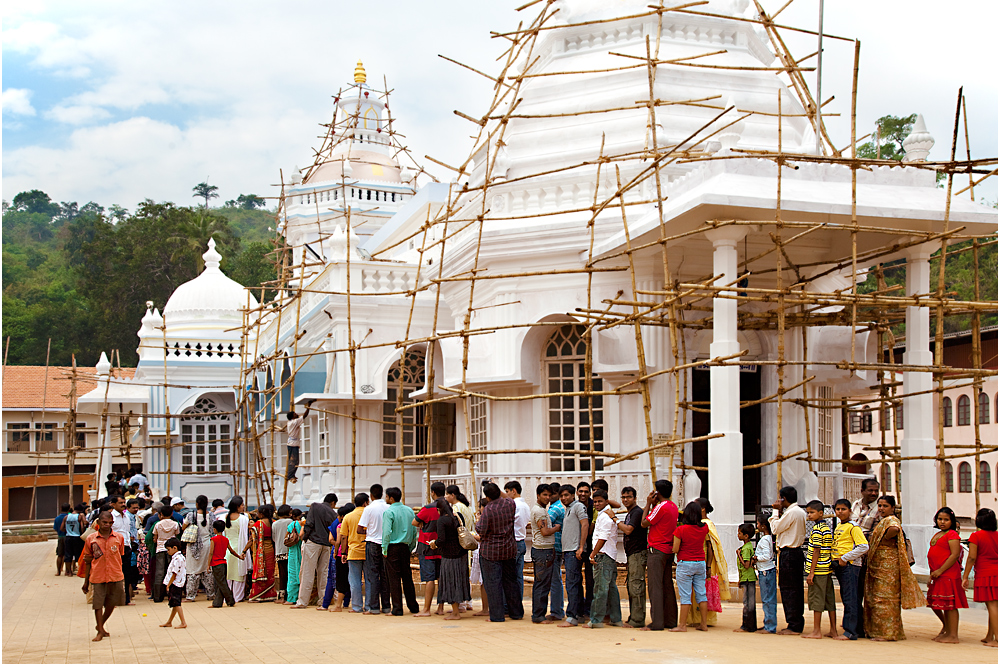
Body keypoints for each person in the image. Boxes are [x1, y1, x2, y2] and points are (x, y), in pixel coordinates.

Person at [862, 495, 923, 641]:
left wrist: (884, 538)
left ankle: (887, 633)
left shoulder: (891, 520)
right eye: (880, 505)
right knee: (876, 598)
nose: (882, 508)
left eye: (885, 506)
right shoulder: (883, 520)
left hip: (888, 566)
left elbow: (894, 530)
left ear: (892, 508)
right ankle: (882, 631)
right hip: (879, 564)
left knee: (885, 599)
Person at [476, 481, 523, 622]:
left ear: (487, 497)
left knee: (493, 583)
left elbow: (481, 530)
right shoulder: (509, 504)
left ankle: (497, 615)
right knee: (511, 582)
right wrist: (495, 489)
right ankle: (516, 612)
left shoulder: (488, 510)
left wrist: (478, 519)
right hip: (508, 548)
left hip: (491, 551)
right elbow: (505, 497)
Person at [80, 510, 125, 642]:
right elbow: (88, 560)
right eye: (104, 522)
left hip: (115, 575)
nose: (107, 525)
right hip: (97, 576)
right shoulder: (91, 539)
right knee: (98, 604)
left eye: (110, 522)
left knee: (112, 603)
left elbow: (120, 556)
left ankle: (100, 625)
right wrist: (86, 581)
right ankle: (100, 631)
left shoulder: (118, 538)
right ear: (98, 522)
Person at [769, 486, 807, 634]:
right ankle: (795, 621)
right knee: (795, 588)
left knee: (789, 589)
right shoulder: (799, 512)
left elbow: (775, 528)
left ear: (784, 499)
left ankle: (794, 624)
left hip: (789, 553)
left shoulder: (792, 512)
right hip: (795, 553)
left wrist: (774, 511)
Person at [641, 479, 678, 631]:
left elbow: (644, 522)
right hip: (668, 549)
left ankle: (656, 622)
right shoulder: (673, 506)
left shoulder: (660, 507)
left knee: (655, 587)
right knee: (667, 585)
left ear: (658, 493)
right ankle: (670, 620)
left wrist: (648, 503)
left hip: (657, 549)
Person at [583, 489, 622, 628]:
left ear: (606, 501)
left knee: (600, 589)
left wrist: (593, 553)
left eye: (600, 501)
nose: (597, 504)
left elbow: (603, 538)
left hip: (603, 556)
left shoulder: (605, 517)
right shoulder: (603, 515)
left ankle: (596, 620)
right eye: (595, 501)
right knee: (611, 588)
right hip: (608, 555)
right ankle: (616, 618)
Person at [927, 506, 966, 643]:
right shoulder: (938, 534)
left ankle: (953, 635)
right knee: (941, 604)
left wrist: (940, 570)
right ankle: (948, 631)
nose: (942, 522)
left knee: (950, 605)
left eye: (946, 520)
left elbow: (954, 555)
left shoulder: (952, 535)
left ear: (952, 521)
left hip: (948, 574)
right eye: (940, 519)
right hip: (937, 575)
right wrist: (932, 573)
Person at [688, 497, 729, 627]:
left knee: (703, 591)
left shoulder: (707, 524)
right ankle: (696, 619)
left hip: (705, 560)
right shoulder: (700, 522)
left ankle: (703, 619)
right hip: (700, 559)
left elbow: (710, 546)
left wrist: (708, 566)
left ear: (702, 509)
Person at [292, 493, 338, 609]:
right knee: (324, 573)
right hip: (326, 544)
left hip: (313, 541)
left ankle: (302, 602)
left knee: (307, 572)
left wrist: (305, 537)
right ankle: (323, 601)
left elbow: (309, 523)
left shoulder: (315, 506)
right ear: (333, 503)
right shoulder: (333, 513)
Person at [670, 501, 710, 632]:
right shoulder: (704, 528)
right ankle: (703, 624)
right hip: (700, 563)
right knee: (701, 595)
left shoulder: (680, 530)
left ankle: (682, 625)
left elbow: (675, 549)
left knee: (685, 596)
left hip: (685, 563)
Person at [831, 498, 868, 640]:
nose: (840, 512)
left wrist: (845, 558)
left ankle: (850, 631)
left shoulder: (854, 527)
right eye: (838, 509)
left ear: (850, 511)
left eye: (843, 509)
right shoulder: (840, 526)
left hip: (850, 566)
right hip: (841, 566)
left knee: (850, 598)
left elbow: (863, 546)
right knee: (850, 598)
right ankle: (858, 629)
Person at [963, 508, 998, 648]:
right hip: (996, 572)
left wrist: (965, 577)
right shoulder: (997, 535)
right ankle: (990, 635)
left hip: (985, 573)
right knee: (993, 605)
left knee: (992, 605)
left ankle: (997, 639)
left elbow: (971, 557)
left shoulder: (976, 536)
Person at [381, 487, 419, 615]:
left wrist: (384, 548)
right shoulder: (409, 511)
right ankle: (413, 606)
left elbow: (386, 532)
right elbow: (414, 531)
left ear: (391, 498)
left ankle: (397, 608)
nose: (385, 499)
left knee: (394, 578)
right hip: (405, 547)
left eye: (386, 496)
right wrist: (411, 546)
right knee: (407, 577)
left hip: (392, 547)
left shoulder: (389, 512)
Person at [432, 498, 471, 620]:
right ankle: (458, 607)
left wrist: (434, 544)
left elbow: (442, 540)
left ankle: (455, 613)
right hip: (461, 554)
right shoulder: (457, 516)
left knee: (451, 582)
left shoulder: (442, 520)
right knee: (459, 581)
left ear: (439, 509)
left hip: (449, 556)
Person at [802, 500, 837, 639]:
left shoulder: (817, 530)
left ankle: (817, 631)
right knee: (829, 599)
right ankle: (833, 630)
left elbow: (816, 551)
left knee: (817, 599)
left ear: (820, 513)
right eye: (808, 512)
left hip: (818, 570)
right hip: (826, 569)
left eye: (812, 512)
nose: (809, 515)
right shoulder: (827, 528)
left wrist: (811, 572)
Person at [556, 484, 589, 627]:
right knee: (574, 582)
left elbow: (585, 525)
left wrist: (581, 546)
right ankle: (579, 614)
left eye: (566, 495)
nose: (564, 498)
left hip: (574, 550)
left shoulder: (578, 507)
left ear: (573, 495)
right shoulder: (568, 509)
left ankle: (572, 616)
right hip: (568, 550)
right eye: (561, 496)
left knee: (572, 583)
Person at [358, 483, 392, 614]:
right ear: (383, 494)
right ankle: (386, 605)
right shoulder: (388, 507)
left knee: (372, 576)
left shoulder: (369, 509)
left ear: (371, 495)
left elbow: (360, 528)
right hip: (385, 543)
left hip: (372, 542)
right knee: (385, 575)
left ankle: (374, 607)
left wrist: (370, 532)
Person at [616, 485, 647, 629]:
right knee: (631, 585)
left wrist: (615, 520)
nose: (625, 500)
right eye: (623, 497)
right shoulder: (630, 513)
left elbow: (628, 530)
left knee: (636, 586)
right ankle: (633, 616)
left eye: (629, 497)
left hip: (637, 554)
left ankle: (637, 619)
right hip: (631, 555)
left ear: (635, 498)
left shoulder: (636, 512)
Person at [413, 482, 446, 617]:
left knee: (429, 579)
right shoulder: (448, 507)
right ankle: (440, 607)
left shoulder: (428, 508)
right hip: (442, 546)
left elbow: (415, 522)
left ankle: (426, 609)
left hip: (427, 545)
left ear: (433, 492)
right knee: (441, 578)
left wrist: (423, 523)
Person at [530, 484, 560, 624]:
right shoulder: (540, 512)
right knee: (542, 584)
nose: (547, 498)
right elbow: (545, 532)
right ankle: (538, 615)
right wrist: (557, 528)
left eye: (549, 495)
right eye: (544, 495)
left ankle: (538, 614)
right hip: (543, 550)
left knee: (541, 583)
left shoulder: (541, 510)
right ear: (538, 495)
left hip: (543, 549)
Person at [183, 495, 216, 602]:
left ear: (196, 504)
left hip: (193, 545)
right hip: (207, 545)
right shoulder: (211, 515)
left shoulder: (191, 515)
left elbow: (183, 527)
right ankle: (211, 593)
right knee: (207, 570)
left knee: (193, 571)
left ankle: (190, 595)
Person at [504, 480, 531, 603]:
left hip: (513, 541)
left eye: (507, 492)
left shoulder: (514, 505)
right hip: (521, 540)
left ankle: (510, 604)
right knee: (518, 576)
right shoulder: (525, 506)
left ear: (513, 491)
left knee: (509, 576)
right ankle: (517, 603)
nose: (507, 494)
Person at [341, 494, 369, 613]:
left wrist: (343, 552)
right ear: (365, 502)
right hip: (368, 551)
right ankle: (369, 606)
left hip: (353, 552)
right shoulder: (369, 514)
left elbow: (343, 536)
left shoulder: (348, 516)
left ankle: (357, 606)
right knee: (370, 580)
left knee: (354, 581)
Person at [244, 504, 277, 602]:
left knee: (261, 571)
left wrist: (244, 551)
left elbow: (252, 539)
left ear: (262, 514)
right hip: (272, 549)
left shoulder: (259, 524)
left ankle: (258, 594)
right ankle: (270, 593)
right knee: (270, 571)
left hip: (261, 551)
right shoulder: (274, 522)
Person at [546, 481, 566, 621]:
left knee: (555, 580)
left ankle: (557, 611)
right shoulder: (557, 507)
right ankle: (557, 609)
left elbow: (544, 525)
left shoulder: (555, 509)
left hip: (555, 547)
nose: (548, 497)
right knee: (555, 578)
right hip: (557, 546)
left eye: (551, 494)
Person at [109, 495, 135, 605]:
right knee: (114, 574)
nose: (123, 504)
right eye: (120, 503)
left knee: (127, 574)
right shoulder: (111, 517)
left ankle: (126, 599)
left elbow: (127, 532)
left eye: (124, 502)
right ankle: (113, 599)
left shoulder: (126, 517)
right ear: (113, 504)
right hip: (114, 548)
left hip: (126, 547)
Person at [152, 503, 180, 602]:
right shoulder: (175, 524)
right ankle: (172, 595)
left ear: (161, 514)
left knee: (159, 573)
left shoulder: (158, 524)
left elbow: (154, 538)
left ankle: (157, 597)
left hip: (160, 549)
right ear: (172, 513)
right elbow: (177, 535)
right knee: (172, 572)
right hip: (172, 550)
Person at [328, 503, 354, 611]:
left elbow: (339, 540)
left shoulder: (341, 525)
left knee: (341, 579)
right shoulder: (355, 522)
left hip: (342, 554)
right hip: (353, 552)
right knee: (352, 579)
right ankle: (353, 603)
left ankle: (338, 605)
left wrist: (336, 552)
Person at [224, 497, 250, 602]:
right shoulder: (243, 519)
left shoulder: (226, 517)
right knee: (239, 574)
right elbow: (244, 535)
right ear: (237, 507)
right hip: (239, 548)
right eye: (242, 505)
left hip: (228, 549)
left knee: (229, 575)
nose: (243, 507)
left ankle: (228, 596)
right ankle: (237, 597)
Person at [209, 520, 240, 608]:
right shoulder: (225, 539)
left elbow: (211, 553)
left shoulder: (213, 539)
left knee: (221, 583)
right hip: (223, 563)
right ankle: (217, 603)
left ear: (214, 529)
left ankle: (230, 600)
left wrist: (208, 564)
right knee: (221, 583)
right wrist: (239, 556)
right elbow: (231, 550)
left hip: (216, 563)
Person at [755, 512, 777, 634]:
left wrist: (756, 558)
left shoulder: (764, 540)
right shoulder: (769, 539)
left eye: (758, 523)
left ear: (763, 526)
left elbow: (767, 555)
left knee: (768, 599)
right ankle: (768, 623)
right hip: (766, 570)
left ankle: (770, 625)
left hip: (766, 571)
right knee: (767, 599)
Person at [734, 523, 757, 633]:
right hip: (746, 578)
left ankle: (747, 625)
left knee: (748, 603)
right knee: (748, 602)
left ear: (746, 536)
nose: (738, 535)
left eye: (740, 533)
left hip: (748, 578)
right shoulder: (746, 547)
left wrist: (739, 555)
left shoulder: (746, 549)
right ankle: (749, 625)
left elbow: (746, 565)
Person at [159, 537, 188, 629]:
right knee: (175, 603)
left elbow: (174, 573)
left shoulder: (177, 559)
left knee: (177, 603)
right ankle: (169, 621)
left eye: (168, 549)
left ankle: (183, 622)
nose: (168, 551)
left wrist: (168, 584)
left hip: (175, 583)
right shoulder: (180, 557)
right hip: (178, 583)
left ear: (174, 548)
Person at [284, 403, 311, 483]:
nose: (297, 414)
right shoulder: (294, 422)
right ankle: (290, 475)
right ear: (293, 416)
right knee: (294, 461)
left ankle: (291, 474)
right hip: (293, 444)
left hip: (293, 443)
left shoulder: (291, 422)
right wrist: (308, 407)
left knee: (294, 461)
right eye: (295, 414)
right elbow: (305, 415)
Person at [272, 504, 293, 604]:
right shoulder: (290, 522)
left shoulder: (275, 524)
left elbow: (274, 538)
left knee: (282, 574)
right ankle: (289, 595)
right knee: (290, 573)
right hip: (289, 551)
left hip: (279, 551)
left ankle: (281, 595)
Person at [285, 509, 304, 605]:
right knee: (302, 573)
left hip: (292, 552)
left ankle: (291, 598)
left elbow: (286, 538)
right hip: (302, 551)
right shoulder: (303, 525)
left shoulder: (291, 525)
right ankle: (301, 596)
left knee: (292, 574)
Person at [65, 503, 85, 576]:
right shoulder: (79, 517)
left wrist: (67, 531)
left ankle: (68, 571)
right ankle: (80, 570)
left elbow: (62, 528)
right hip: (77, 537)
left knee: (68, 555)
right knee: (78, 555)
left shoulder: (67, 517)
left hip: (68, 537)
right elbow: (82, 527)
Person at [55, 503, 70, 576]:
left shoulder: (57, 518)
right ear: (69, 509)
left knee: (59, 554)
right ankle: (68, 571)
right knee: (68, 554)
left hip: (60, 536)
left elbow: (55, 528)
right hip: (68, 536)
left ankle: (58, 571)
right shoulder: (69, 517)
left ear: (61, 509)